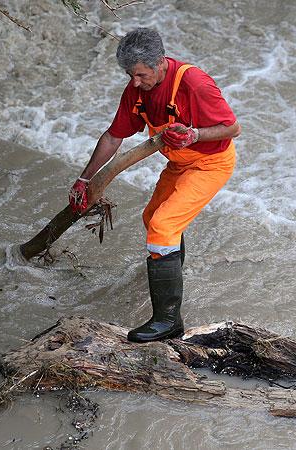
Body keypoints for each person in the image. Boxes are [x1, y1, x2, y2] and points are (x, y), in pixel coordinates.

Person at [69, 28, 241, 343]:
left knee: (162, 225)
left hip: (211, 163)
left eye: (140, 75)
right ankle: (171, 274)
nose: (134, 82)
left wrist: (194, 134)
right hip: (179, 163)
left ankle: (168, 321)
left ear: (161, 63)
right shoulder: (136, 90)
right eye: (129, 74)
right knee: (153, 220)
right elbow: (113, 136)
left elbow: (232, 127)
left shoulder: (193, 83)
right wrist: (84, 178)